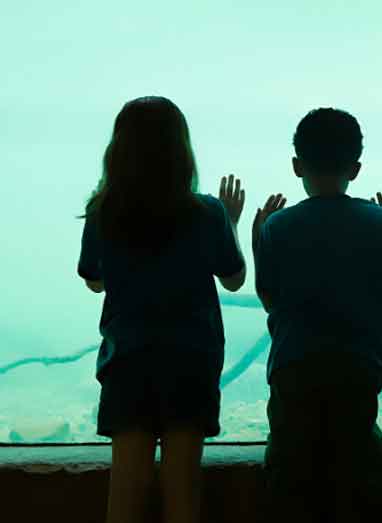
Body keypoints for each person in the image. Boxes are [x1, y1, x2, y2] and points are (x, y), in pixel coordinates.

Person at [78, 96, 247, 523]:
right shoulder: (206, 211)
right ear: (181, 150)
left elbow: (93, 279)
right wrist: (229, 222)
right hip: (190, 361)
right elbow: (233, 279)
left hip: (128, 361)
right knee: (183, 493)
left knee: (126, 494)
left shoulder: (105, 210)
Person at [252, 107, 382, 523]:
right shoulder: (378, 223)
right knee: (359, 480)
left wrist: (257, 239)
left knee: (290, 480)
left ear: (296, 166)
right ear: (355, 169)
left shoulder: (277, 227)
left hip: (295, 371)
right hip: (358, 370)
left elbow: (270, 299)